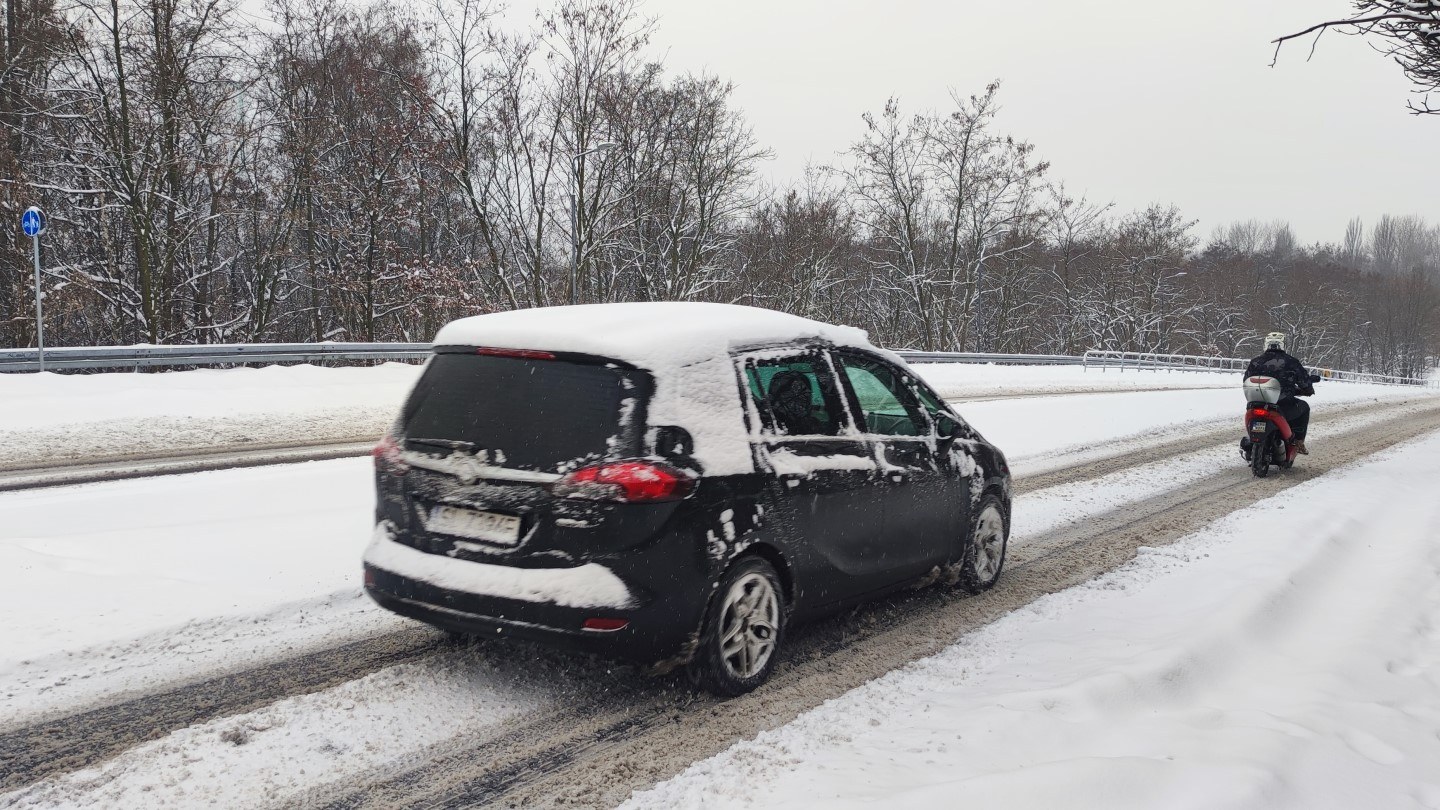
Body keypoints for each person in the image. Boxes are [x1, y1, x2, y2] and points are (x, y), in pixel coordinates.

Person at [1243, 332, 1315, 454]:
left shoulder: (1255, 362)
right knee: (1304, 408)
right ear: (1283, 345)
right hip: (1284, 404)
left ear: (1266, 344)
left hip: (1257, 403)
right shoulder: (1291, 362)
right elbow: (1304, 382)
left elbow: (1246, 381)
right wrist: (1308, 389)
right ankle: (1298, 442)